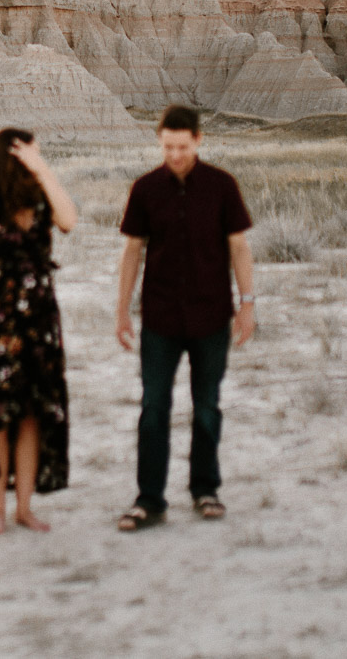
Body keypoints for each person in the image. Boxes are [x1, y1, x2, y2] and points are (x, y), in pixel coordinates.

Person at [114, 105, 255, 531]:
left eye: (182, 146)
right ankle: (150, 500)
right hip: (159, 317)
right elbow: (132, 251)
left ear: (198, 140)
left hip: (211, 315)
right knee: (154, 407)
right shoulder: (145, 189)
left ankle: (205, 490)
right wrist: (122, 309)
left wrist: (247, 303)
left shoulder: (221, 187)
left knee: (207, 406)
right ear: (160, 141)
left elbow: (239, 248)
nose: (174, 154)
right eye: (167, 146)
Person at [0, 127, 78, 534]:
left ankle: (24, 507)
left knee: (31, 416)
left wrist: (45, 171)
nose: (35, 161)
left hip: (40, 327)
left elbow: (70, 220)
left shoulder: (43, 203)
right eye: (30, 155)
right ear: (12, 158)